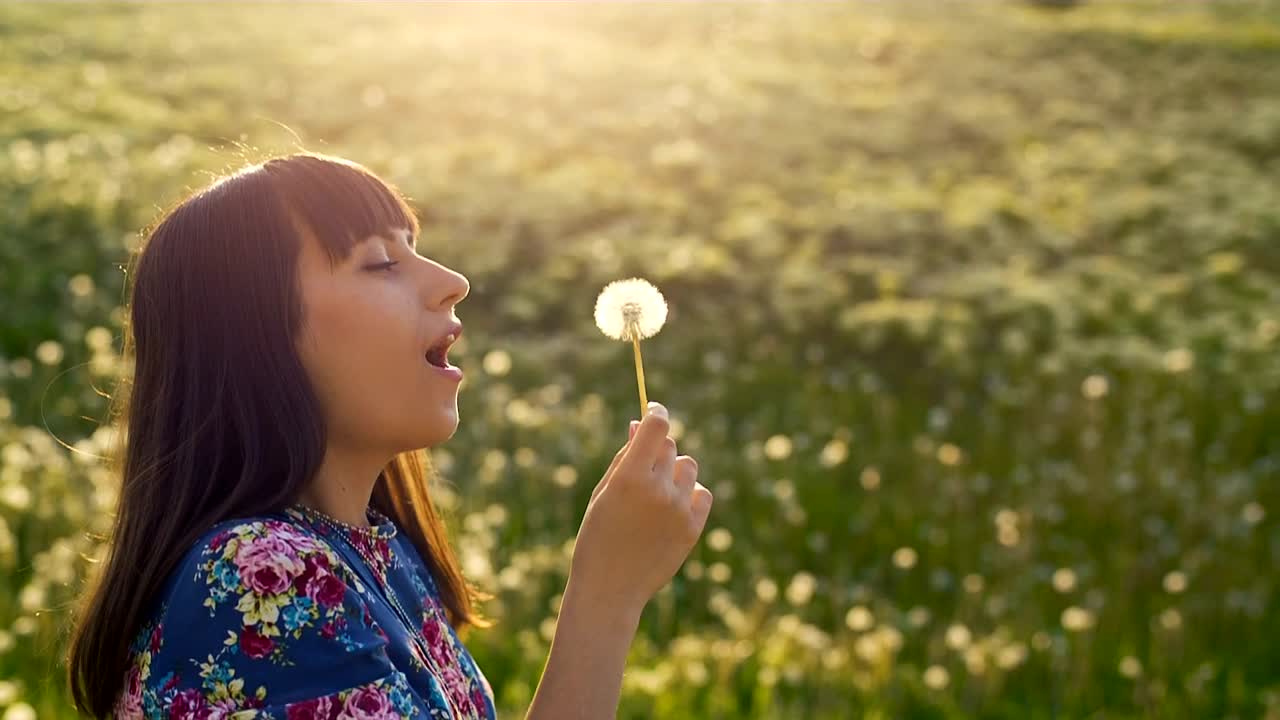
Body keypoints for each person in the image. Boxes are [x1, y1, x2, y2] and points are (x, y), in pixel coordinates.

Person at [65, 152, 714, 719]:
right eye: (379, 263)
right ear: (256, 337)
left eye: (413, 247)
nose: (451, 282)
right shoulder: (260, 576)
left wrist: (613, 593)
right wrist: (605, 595)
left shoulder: (375, 551)